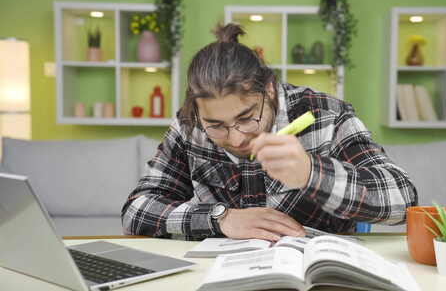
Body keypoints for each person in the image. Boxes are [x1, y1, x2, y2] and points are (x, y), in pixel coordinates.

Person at [121, 24, 418, 241]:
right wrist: (219, 218)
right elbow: (137, 210)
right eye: (216, 126)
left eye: (247, 117)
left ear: (270, 90)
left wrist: (312, 173)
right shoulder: (190, 125)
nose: (236, 139)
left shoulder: (326, 115)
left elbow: (404, 201)